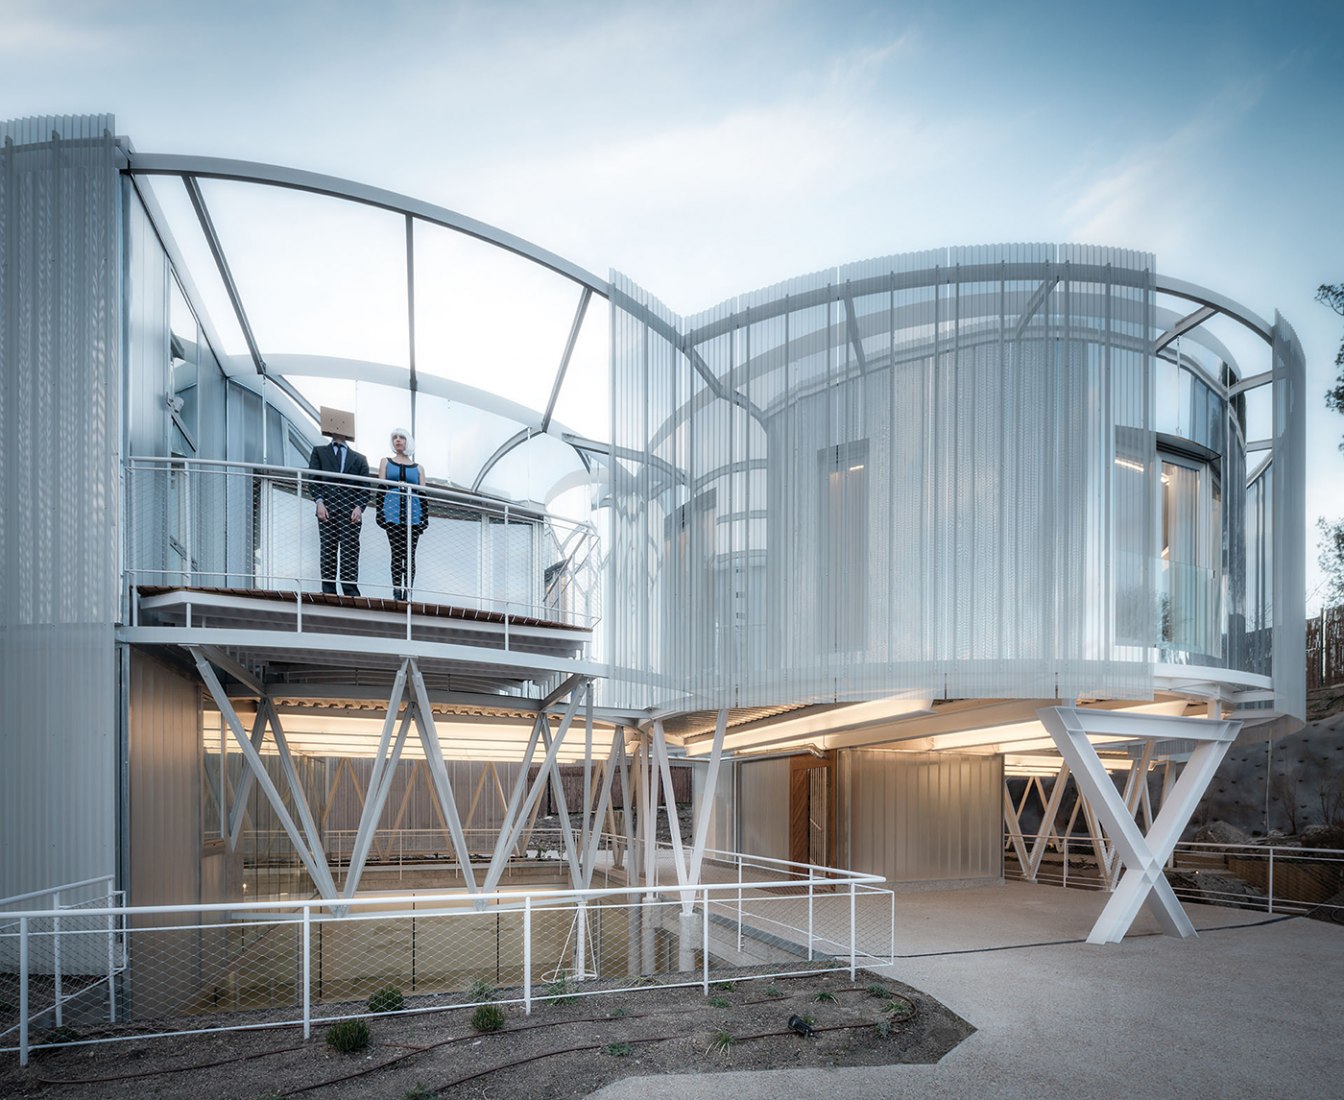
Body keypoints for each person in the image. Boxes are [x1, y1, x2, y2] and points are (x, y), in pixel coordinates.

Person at [308, 432, 371, 596]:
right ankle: (328, 591)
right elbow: (314, 479)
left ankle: (350, 591)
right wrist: (319, 502)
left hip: (350, 510)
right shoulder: (319, 452)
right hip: (327, 508)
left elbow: (365, 486)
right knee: (327, 549)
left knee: (350, 550)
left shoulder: (359, 458)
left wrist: (359, 507)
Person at [376, 428, 429, 601]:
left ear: (408, 442)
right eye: (395, 438)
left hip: (413, 514)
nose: (398, 440)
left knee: (410, 554)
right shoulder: (385, 462)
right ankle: (397, 589)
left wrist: (424, 518)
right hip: (392, 513)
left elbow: (423, 494)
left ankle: (408, 590)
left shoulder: (419, 468)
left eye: (402, 438)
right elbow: (381, 489)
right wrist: (379, 513)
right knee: (396, 552)